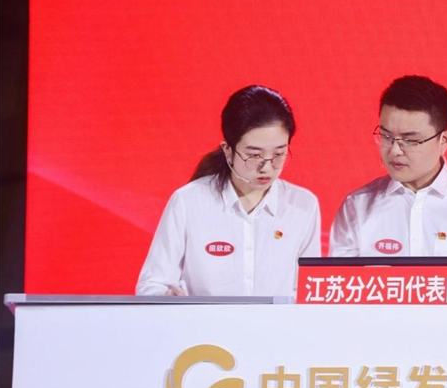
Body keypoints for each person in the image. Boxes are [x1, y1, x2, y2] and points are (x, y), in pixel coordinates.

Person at [329, 75, 447, 304]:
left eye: (410, 140)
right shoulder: (357, 207)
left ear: (444, 140)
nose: (395, 150)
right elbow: (338, 295)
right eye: (386, 136)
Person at [136, 85, 320, 297]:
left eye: (279, 154)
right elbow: (152, 285)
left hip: (277, 320)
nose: (267, 167)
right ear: (228, 151)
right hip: (204, 320)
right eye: (254, 155)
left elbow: (309, 292)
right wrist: (167, 299)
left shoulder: (302, 205)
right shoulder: (189, 202)